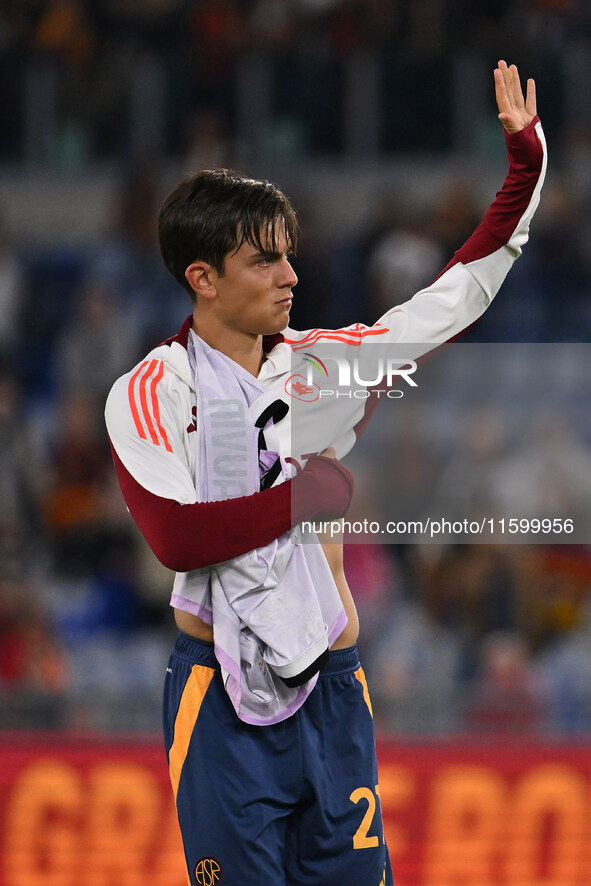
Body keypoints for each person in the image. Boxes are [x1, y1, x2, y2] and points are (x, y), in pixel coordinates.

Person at [105, 61, 546, 886]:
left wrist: (523, 167)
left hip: (335, 693)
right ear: (201, 278)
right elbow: (175, 538)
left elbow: (449, 302)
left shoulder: (324, 370)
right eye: (265, 263)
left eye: (289, 257)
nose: (291, 277)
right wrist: (304, 496)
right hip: (219, 704)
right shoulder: (148, 392)